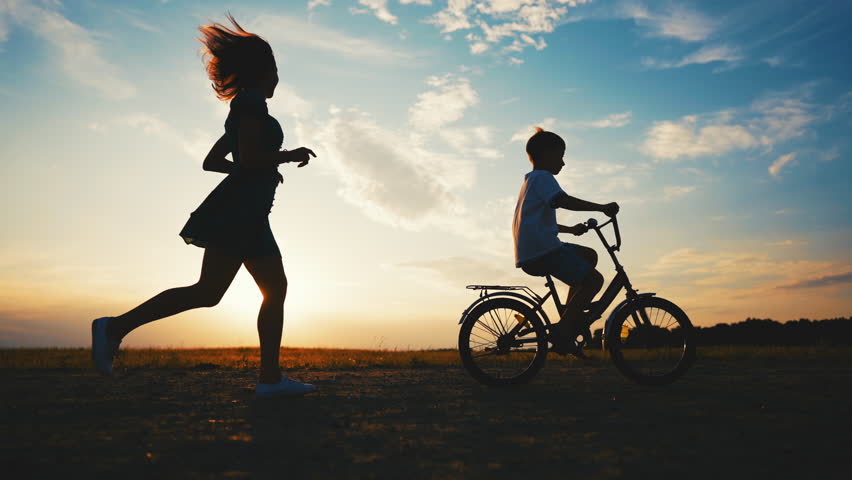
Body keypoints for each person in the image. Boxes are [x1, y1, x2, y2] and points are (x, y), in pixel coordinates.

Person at [91, 14, 317, 398]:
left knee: (212, 292)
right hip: (242, 215)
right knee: (264, 289)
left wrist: (263, 170)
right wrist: (282, 157)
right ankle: (269, 380)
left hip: (241, 212)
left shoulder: (245, 106)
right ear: (262, 71)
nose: (278, 78)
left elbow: (214, 161)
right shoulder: (250, 104)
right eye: (275, 70)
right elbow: (247, 159)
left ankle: (114, 328)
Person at [512, 127, 619, 357]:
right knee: (594, 280)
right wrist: (601, 208)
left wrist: (570, 229)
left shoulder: (531, 181)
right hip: (543, 251)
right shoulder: (543, 177)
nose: (563, 162)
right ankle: (565, 329)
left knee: (589, 256)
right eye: (560, 156)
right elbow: (562, 200)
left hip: (535, 249)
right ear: (546, 154)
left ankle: (568, 319)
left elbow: (538, 222)